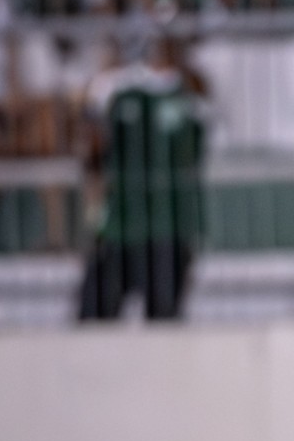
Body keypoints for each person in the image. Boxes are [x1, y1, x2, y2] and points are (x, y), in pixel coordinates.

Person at [78, 36, 206, 322]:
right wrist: (94, 218)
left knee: (163, 326)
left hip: (167, 232)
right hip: (119, 230)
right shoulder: (117, 89)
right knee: (90, 322)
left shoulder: (188, 92)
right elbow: (92, 156)